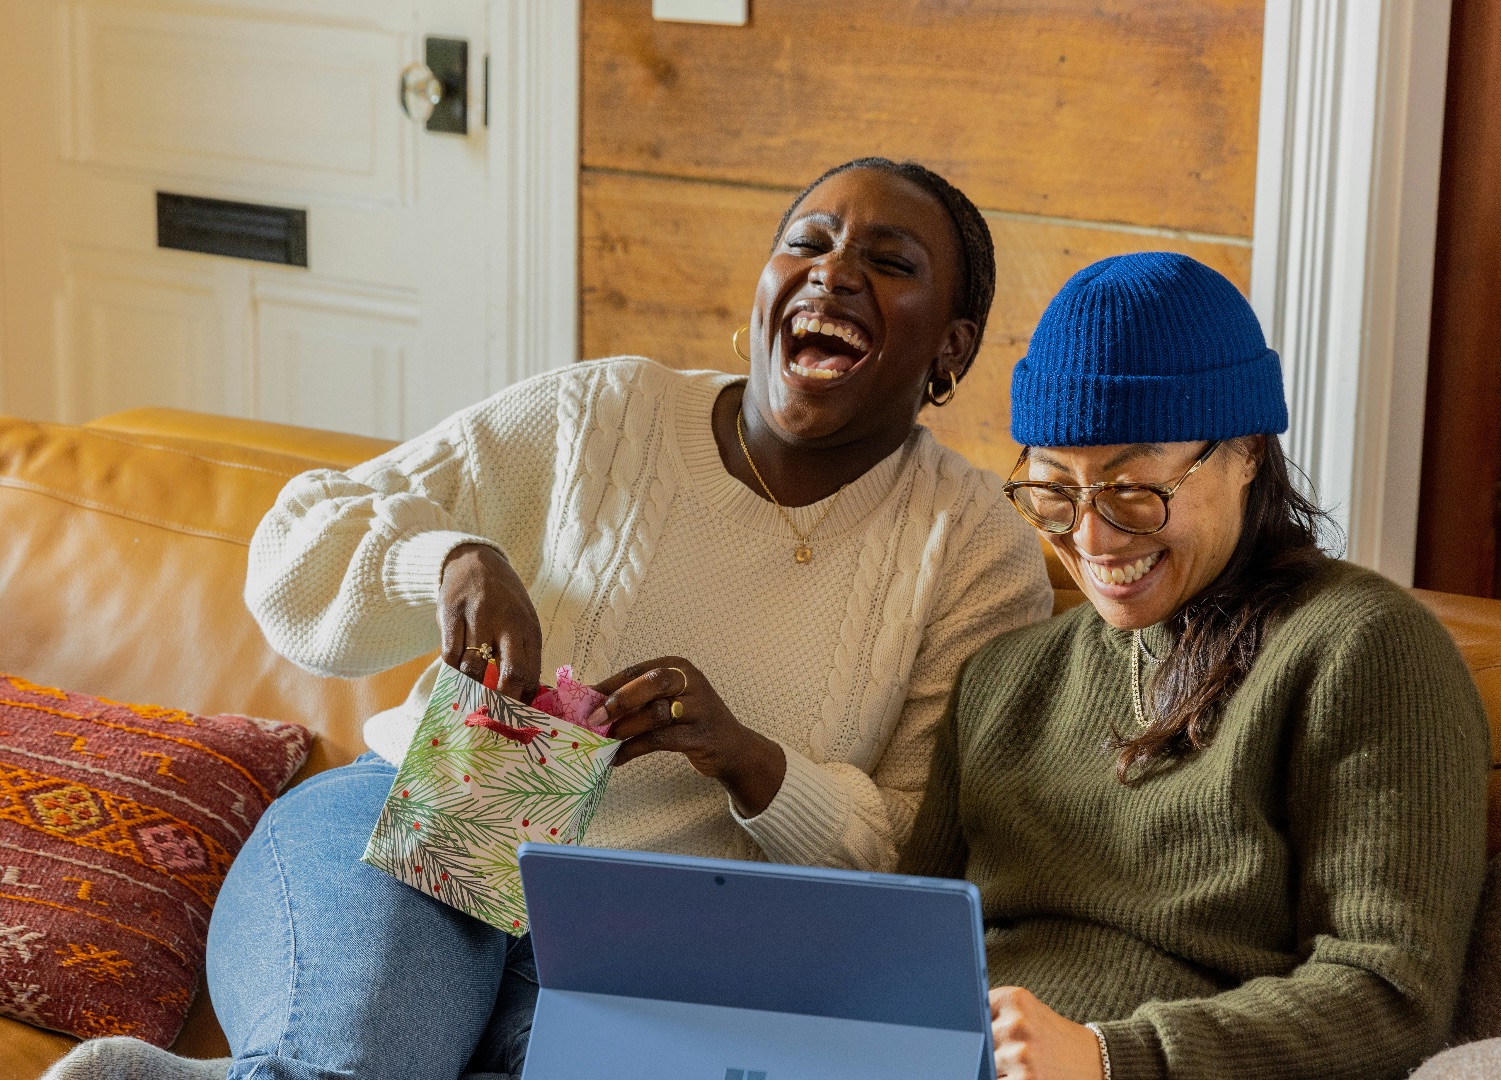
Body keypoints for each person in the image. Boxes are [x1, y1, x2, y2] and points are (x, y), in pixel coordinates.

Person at [45, 159, 1053, 1080]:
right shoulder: (605, 414)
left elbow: (919, 854)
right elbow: (296, 542)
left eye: (889, 261)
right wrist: (447, 561)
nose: (833, 274)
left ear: (951, 349)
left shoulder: (972, 548)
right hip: (430, 822)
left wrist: (751, 760)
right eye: (809, 242)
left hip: (659, 941)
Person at [899, 252, 1490, 1080]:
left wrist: (1115, 1059)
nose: (1093, 540)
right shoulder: (1000, 681)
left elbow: (1388, 992)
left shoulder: (1360, 650)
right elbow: (902, 957)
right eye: (1054, 492)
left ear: (1246, 449)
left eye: (1133, 488)